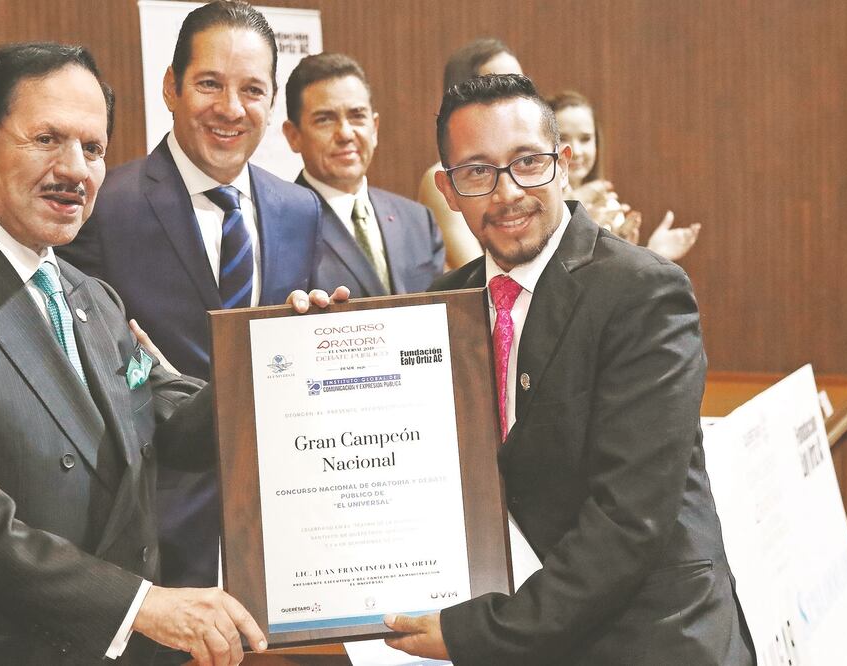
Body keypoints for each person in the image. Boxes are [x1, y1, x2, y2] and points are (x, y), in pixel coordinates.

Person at [0, 42, 275, 665]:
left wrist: (289, 366)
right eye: (46, 139)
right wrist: (143, 607)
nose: (76, 170)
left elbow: (165, 421)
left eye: (93, 149)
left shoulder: (86, 292)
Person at [384, 73, 753, 665]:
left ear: (564, 162)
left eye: (527, 161)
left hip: (651, 639)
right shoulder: (443, 307)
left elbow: (628, 522)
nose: (507, 192)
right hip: (529, 628)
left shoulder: (642, 293)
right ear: (449, 190)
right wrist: (319, 339)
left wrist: (484, 632)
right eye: (478, 172)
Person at [57, 0, 324, 593]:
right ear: (170, 88)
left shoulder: (299, 209)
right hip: (153, 533)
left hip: (285, 526)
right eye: (209, 84)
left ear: (272, 100)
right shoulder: (104, 206)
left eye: (252, 89)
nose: (231, 109)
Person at [283, 52, 444, 296]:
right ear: (293, 135)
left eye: (357, 116)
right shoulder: (280, 228)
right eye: (325, 119)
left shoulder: (418, 221)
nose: (345, 133)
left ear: (375, 128)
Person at [550, 90, 701, 261]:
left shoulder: (609, 205)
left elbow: (617, 278)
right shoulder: (537, 207)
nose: (576, 151)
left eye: (585, 139)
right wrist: (577, 224)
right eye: (563, 138)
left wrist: (652, 253)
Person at [416, 38, 523, 270]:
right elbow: (475, 271)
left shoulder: (535, 167)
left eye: (519, 84)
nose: (515, 97)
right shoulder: (443, 178)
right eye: (500, 85)